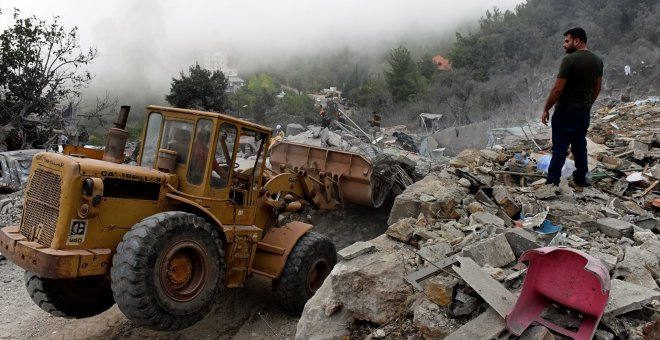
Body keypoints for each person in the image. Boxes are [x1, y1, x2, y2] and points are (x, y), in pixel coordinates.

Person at [541, 27, 602, 190]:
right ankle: (581, 179)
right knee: (579, 145)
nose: (564, 45)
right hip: (583, 112)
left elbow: (557, 89)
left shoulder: (569, 60)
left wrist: (546, 108)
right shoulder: (597, 61)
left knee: (560, 148)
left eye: (567, 41)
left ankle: (552, 182)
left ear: (577, 40)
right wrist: (587, 104)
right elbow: (597, 88)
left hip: (565, 111)